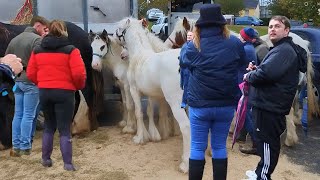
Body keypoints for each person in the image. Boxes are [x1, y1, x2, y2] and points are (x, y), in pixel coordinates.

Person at [180, 4, 246, 180]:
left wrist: (188, 42)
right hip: (225, 104)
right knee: (218, 147)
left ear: (199, 26)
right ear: (222, 24)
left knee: (197, 147)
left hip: (199, 105)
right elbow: (241, 65)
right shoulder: (235, 43)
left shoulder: (193, 46)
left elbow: (184, 62)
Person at [243, 15, 307, 180]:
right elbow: (270, 71)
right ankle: (260, 172)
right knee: (267, 142)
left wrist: (249, 75)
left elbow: (265, 75)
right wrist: (256, 69)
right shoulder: (280, 49)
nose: (272, 29)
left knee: (267, 143)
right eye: (270, 26)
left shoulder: (284, 50)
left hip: (269, 106)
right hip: (270, 104)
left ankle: (263, 176)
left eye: (277, 26)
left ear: (286, 31)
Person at [27, 20, 86, 171]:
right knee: (64, 129)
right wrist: (78, 87)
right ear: (64, 31)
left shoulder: (37, 50)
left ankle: (46, 159)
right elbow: (79, 74)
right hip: (65, 93)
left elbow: (31, 73)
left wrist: (41, 83)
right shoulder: (71, 50)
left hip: (45, 92)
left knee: (48, 127)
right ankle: (68, 164)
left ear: (48, 30)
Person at [5, 16, 49, 157]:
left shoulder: (14, 40)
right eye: (44, 29)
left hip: (17, 82)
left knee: (18, 115)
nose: (44, 32)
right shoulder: (37, 40)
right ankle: (25, 146)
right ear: (37, 26)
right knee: (29, 115)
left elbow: (7, 61)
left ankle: (16, 145)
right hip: (31, 82)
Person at [237, 27, 258, 155]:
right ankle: (242, 136)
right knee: (244, 113)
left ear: (244, 37)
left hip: (242, 85)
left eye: (240, 35)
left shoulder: (245, 50)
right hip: (245, 84)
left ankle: (256, 141)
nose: (239, 37)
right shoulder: (250, 48)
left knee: (244, 113)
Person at [179, 31, 194, 109]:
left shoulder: (193, 45)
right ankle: (185, 101)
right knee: (183, 85)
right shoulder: (185, 45)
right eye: (188, 35)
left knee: (187, 86)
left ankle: (185, 102)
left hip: (188, 68)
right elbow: (181, 55)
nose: (189, 36)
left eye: (191, 35)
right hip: (182, 68)